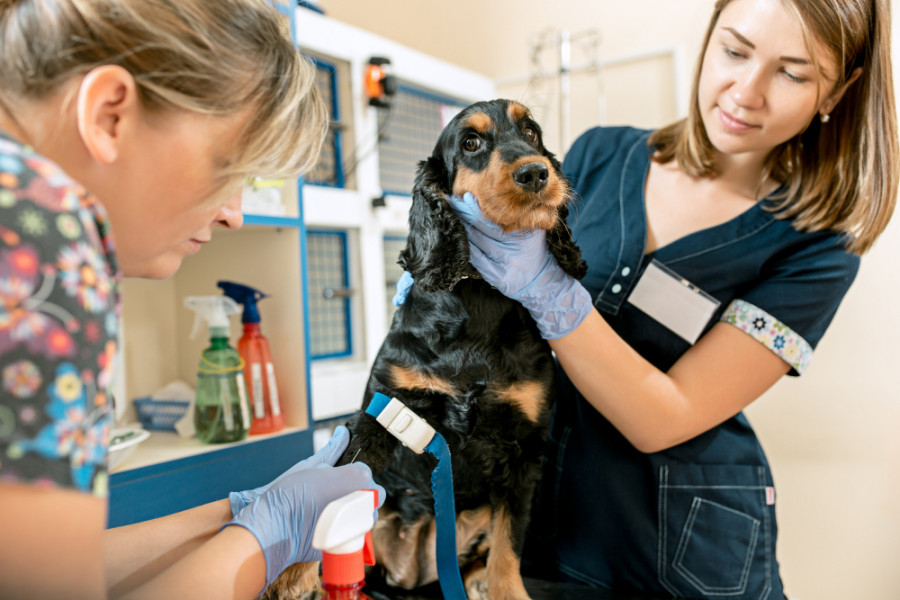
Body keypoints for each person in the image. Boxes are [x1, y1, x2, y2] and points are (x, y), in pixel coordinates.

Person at [447, 0, 897, 597]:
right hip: (546, 524)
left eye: (792, 73)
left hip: (681, 550)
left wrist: (546, 290)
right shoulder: (598, 156)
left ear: (838, 92)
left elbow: (666, 416)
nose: (746, 91)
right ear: (711, 35)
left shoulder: (817, 246)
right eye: (735, 51)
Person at [0, 1, 384, 599]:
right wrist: (265, 539)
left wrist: (238, 516)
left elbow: (28, 569)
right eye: (228, 166)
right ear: (109, 115)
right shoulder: (41, 226)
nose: (234, 213)